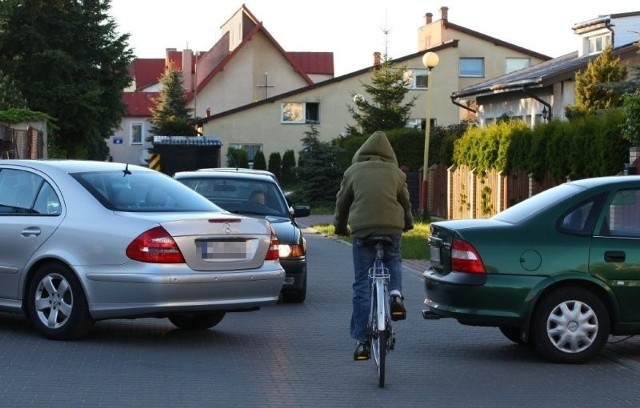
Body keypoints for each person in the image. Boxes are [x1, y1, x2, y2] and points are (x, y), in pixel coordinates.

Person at [333, 130, 414, 361]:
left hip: (363, 231)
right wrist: (408, 224)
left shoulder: (353, 171)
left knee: (361, 284)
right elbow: (405, 203)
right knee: (393, 259)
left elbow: (342, 203)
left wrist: (339, 228)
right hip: (391, 229)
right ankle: (396, 295)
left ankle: (361, 341)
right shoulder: (396, 173)